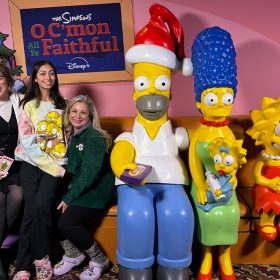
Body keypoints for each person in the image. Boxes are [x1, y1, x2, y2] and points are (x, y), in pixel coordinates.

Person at [110, 4, 194, 280]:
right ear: (135, 93)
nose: (153, 97)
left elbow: (184, 144)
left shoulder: (173, 133)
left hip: (171, 179)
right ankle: (135, 267)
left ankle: (175, 265)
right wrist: (125, 167)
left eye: (161, 86)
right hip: (137, 182)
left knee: (179, 213)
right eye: (144, 86)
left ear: (169, 94)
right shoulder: (131, 136)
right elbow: (121, 154)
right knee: (136, 214)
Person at [189, 26, 239, 280]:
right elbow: (194, 162)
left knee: (231, 212)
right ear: (199, 102)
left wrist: (233, 181)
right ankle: (208, 254)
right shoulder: (199, 133)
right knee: (206, 213)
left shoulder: (229, 134)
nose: (220, 102)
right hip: (204, 185)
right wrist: (199, 185)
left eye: (226, 97)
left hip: (226, 186)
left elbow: (235, 162)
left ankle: (225, 255)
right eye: (212, 98)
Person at [13, 60, 67, 280]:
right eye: (42, 73)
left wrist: (60, 166)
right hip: (31, 163)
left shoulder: (63, 105)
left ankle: (41, 258)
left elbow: (67, 138)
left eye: (52, 73)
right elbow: (27, 141)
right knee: (29, 214)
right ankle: (23, 266)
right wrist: (51, 166)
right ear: (35, 78)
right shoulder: (29, 105)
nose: (48, 77)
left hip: (56, 167)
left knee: (42, 207)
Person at [53, 95, 114, 280]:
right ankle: (73, 255)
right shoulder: (71, 135)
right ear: (68, 113)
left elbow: (89, 174)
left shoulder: (94, 137)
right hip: (79, 187)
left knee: (66, 222)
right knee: (47, 210)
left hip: (96, 190)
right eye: (74, 111)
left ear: (90, 116)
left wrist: (68, 198)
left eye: (83, 112)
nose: (77, 116)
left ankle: (100, 260)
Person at [0, 64, 23, 280]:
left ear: (7, 80)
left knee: (18, 196)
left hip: (14, 165)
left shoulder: (18, 101)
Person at [247, 97, 280, 241]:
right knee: (270, 201)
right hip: (265, 187)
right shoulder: (264, 158)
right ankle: (266, 222)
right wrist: (270, 184)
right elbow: (256, 177)